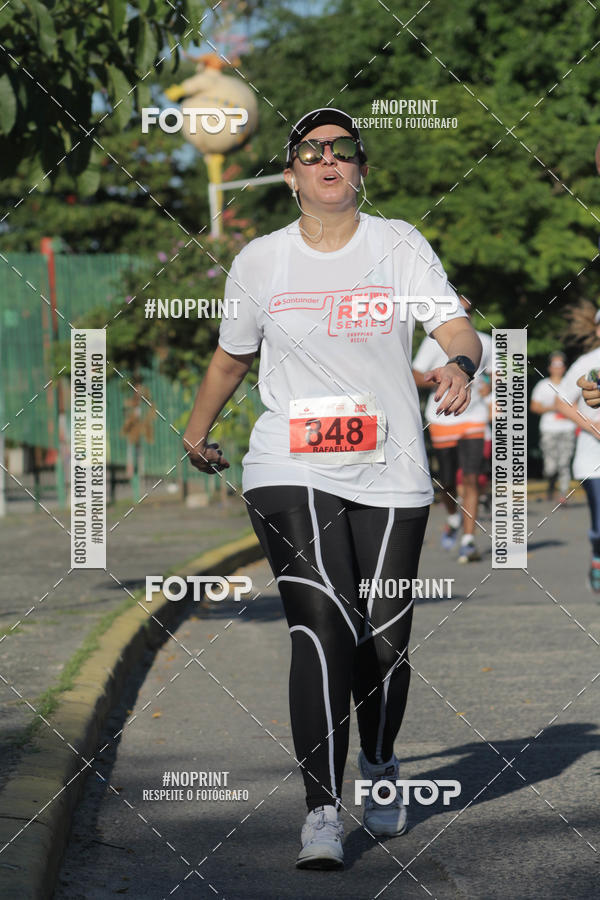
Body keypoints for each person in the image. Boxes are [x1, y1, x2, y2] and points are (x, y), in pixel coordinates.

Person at [183, 107, 482, 869]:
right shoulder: (260, 261)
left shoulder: (399, 244)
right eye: (312, 152)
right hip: (290, 459)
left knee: (384, 638)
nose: (328, 161)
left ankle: (379, 768)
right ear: (291, 176)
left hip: (391, 466)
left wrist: (460, 364)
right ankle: (321, 809)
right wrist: (195, 429)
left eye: (343, 151)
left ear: (361, 171)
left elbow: (454, 327)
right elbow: (230, 359)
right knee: (320, 624)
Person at [412, 298, 492, 562]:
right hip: (441, 417)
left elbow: (500, 374)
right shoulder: (432, 341)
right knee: (446, 482)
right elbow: (415, 374)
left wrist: (491, 389)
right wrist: (439, 377)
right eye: (458, 310)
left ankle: (468, 541)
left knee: (470, 477)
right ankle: (453, 516)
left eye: (468, 310)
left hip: (474, 417)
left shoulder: (484, 342)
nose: (464, 314)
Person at [554, 302, 600, 594]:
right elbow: (561, 402)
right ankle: (597, 558)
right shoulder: (588, 363)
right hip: (593, 459)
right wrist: (593, 426)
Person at [530, 351, 576, 503]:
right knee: (550, 466)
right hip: (549, 429)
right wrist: (554, 407)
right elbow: (534, 407)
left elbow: (577, 407)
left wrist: (566, 409)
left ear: (564, 367)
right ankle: (551, 484)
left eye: (560, 365)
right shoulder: (543, 385)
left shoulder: (570, 384)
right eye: (554, 364)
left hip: (567, 429)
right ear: (549, 367)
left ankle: (562, 494)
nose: (557, 368)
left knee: (564, 463)